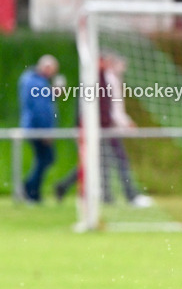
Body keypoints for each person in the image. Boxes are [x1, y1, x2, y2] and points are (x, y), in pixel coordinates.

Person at [54, 52, 153, 207]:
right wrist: (125, 123)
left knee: (103, 162)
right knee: (106, 162)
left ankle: (111, 194)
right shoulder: (95, 79)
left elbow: (110, 107)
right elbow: (89, 107)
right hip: (98, 129)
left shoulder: (106, 79)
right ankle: (123, 195)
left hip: (106, 128)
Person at [18, 55, 62, 203]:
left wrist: (53, 93)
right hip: (37, 128)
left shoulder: (35, 80)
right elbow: (40, 109)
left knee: (44, 159)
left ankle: (33, 191)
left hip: (35, 127)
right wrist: (45, 130)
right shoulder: (35, 82)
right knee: (46, 158)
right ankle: (29, 189)